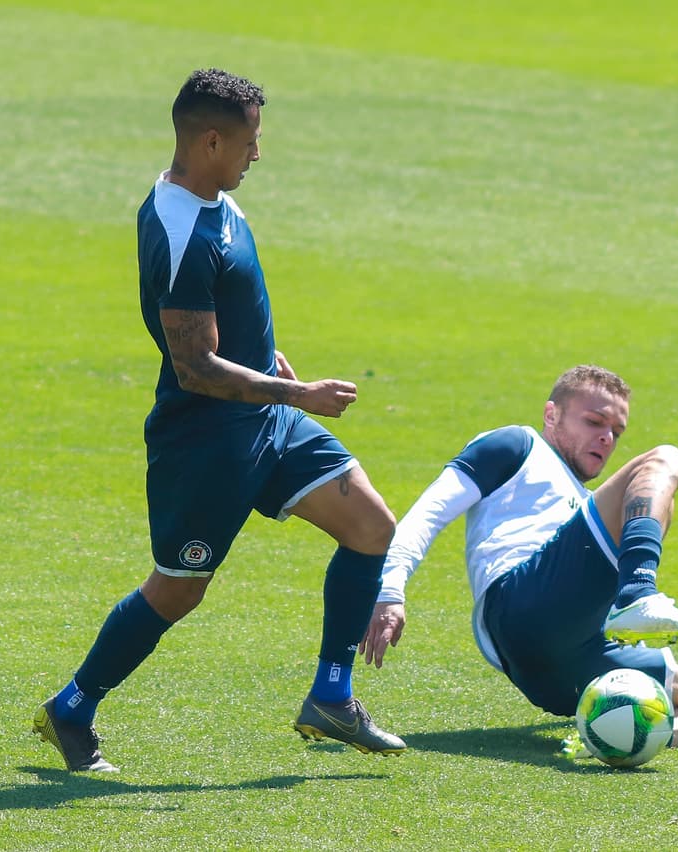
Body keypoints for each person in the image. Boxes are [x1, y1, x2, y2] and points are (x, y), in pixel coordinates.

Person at [33, 68, 405, 772]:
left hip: (265, 419)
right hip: (206, 444)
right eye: (250, 141)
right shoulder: (178, 232)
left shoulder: (211, 200)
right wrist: (297, 395)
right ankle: (72, 706)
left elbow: (229, 314)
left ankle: (331, 697)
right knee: (179, 589)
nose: (257, 154)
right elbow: (195, 367)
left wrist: (273, 361)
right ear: (210, 141)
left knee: (371, 527)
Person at [362, 365, 678, 747]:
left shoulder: (585, 502)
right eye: (594, 422)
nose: (607, 438)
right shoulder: (516, 445)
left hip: (561, 669)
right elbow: (429, 512)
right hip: (522, 606)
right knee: (664, 459)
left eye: (616, 431)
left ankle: (610, 740)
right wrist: (391, 590)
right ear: (552, 414)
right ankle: (638, 592)